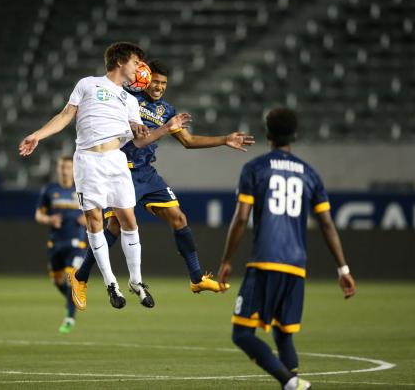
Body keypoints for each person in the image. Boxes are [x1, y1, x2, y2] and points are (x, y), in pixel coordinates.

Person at [68, 59, 254, 310]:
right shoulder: (126, 98)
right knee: (114, 227)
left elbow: (188, 141)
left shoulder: (166, 110)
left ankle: (197, 279)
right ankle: (80, 277)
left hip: (146, 173)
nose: (159, 87)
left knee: (179, 218)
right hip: (120, 169)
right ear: (144, 79)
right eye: (155, 81)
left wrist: (224, 139)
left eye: (164, 83)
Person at [19, 42, 190, 310]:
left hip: (116, 160)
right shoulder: (88, 84)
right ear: (121, 62)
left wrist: (166, 129)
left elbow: (141, 141)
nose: (139, 68)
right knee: (95, 219)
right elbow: (66, 115)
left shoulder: (129, 100)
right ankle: (111, 283)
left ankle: (136, 281)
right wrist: (37, 135)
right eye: (136, 62)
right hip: (88, 160)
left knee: (128, 220)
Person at [217, 107, 356, 390]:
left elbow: (242, 217)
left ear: (267, 133)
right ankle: (292, 383)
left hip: (266, 261)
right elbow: (327, 224)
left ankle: (291, 383)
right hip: (296, 265)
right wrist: (343, 269)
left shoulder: (255, 168)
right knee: (283, 334)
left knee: (242, 334)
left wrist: (227, 260)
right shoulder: (310, 174)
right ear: (294, 134)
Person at [35, 155, 88, 333]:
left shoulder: (83, 189)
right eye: (62, 167)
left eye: (68, 167)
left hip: (77, 244)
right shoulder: (49, 190)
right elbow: (38, 215)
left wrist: (87, 218)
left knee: (71, 278)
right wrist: (49, 219)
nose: (65, 170)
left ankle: (70, 318)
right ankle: (71, 301)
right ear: (58, 170)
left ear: (74, 169)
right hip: (56, 242)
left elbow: (97, 214)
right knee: (57, 280)